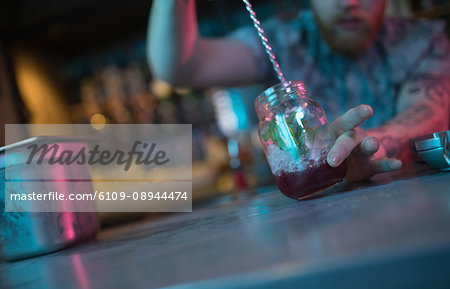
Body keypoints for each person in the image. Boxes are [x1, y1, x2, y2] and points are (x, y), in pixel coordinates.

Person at [147, 0, 450, 184]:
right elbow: (180, 67)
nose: (349, 2)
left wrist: (369, 147)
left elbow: (427, 115)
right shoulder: (283, 39)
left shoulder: (425, 40)